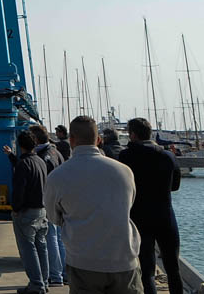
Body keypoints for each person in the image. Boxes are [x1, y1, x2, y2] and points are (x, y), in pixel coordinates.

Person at [43, 115, 143, 294]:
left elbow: (53, 217)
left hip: (83, 261)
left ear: (71, 139)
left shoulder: (57, 177)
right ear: (98, 140)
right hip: (123, 259)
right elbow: (128, 206)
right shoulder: (124, 171)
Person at [116, 118, 183, 294]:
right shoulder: (168, 156)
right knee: (173, 268)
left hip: (139, 216)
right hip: (165, 215)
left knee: (147, 272)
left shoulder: (126, 156)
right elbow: (175, 186)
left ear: (133, 135)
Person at [5, 129, 49, 293]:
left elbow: (19, 190)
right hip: (42, 211)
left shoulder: (23, 165)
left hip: (27, 213)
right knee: (41, 247)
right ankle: (44, 282)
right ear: (34, 144)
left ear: (19, 145)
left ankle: (36, 285)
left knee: (28, 250)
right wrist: (11, 156)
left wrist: (15, 208)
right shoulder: (40, 161)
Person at [31, 124, 67, 288]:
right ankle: (64, 273)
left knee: (50, 238)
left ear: (35, 139)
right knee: (59, 238)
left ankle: (55, 275)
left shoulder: (42, 157)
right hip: (60, 200)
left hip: (48, 202)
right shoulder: (56, 152)